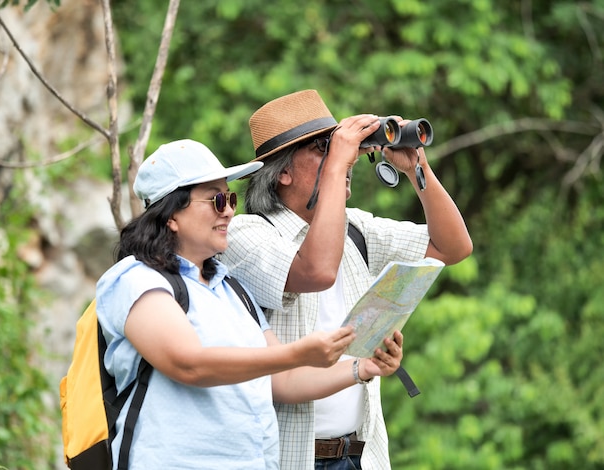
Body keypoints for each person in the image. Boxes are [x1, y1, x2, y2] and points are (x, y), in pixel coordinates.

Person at [96, 138, 406, 470]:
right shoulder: (136, 280)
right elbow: (189, 364)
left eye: (229, 197)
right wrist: (298, 353)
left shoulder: (229, 287)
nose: (229, 209)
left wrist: (363, 369)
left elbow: (282, 381)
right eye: (216, 199)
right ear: (171, 214)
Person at [219, 90, 473, 470]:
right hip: (293, 458)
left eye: (337, 145)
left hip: (359, 455)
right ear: (283, 172)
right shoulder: (246, 233)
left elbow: (453, 247)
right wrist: (337, 164)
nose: (346, 157)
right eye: (323, 147)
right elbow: (316, 271)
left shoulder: (355, 228)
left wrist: (415, 168)